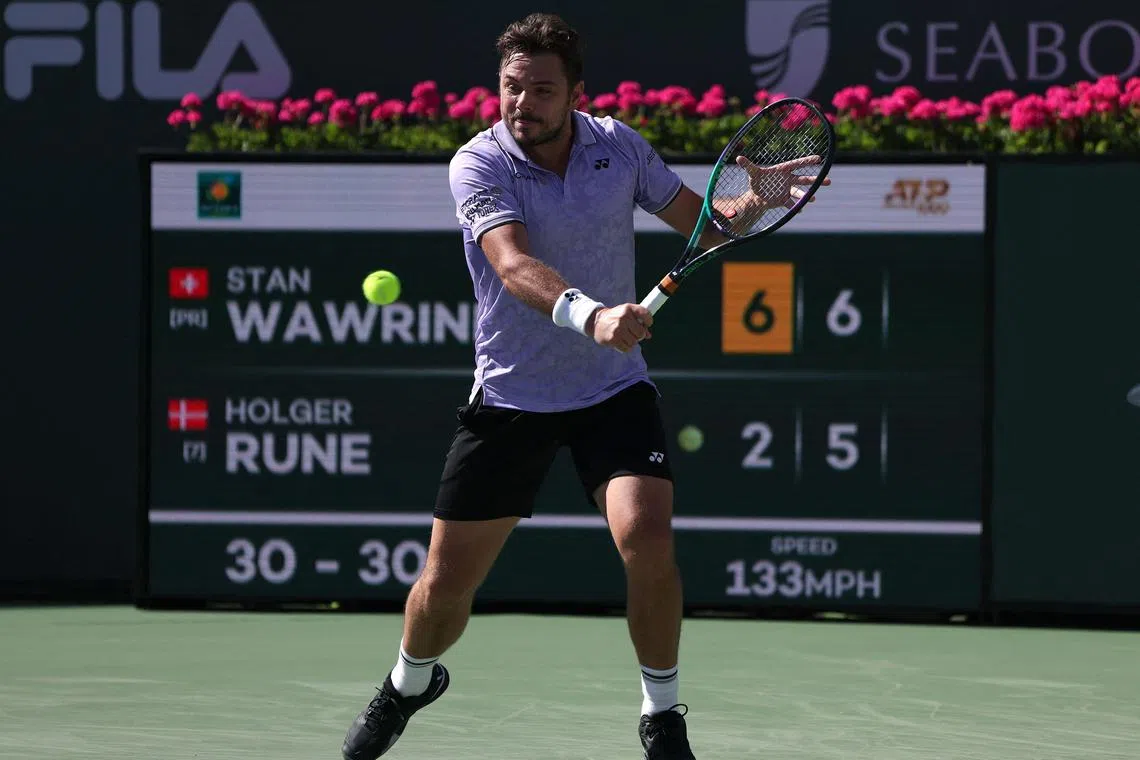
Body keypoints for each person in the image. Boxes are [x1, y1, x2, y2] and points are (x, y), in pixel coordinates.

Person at [341, 12, 827, 760]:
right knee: (443, 589)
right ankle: (407, 685)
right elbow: (511, 264)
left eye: (541, 89)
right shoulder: (479, 162)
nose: (522, 104)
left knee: (647, 535)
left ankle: (661, 715)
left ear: (575, 95)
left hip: (611, 391)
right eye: (511, 87)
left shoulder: (619, 147)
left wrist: (750, 203)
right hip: (512, 396)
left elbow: (701, 223)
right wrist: (592, 314)